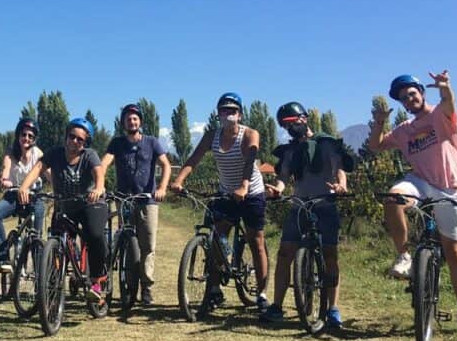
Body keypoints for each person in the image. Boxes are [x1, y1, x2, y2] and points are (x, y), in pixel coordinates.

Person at [367, 71, 457, 334]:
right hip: (420, 183)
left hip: (449, 188)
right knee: (394, 198)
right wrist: (380, 123)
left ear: (421, 93)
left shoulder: (441, 115)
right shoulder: (404, 130)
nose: (409, 99)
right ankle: (404, 256)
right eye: (404, 98)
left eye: (412, 93)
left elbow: (449, 103)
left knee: (454, 251)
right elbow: (376, 145)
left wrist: (446, 87)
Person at [170, 92, 270, 311]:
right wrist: (178, 180)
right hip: (226, 192)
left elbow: (250, 159)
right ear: (218, 114)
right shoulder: (211, 136)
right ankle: (214, 289)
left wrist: (244, 186)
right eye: (224, 110)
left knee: (256, 241)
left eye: (232, 110)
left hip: (251, 191)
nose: (228, 114)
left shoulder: (249, 134)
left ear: (240, 115)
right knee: (217, 236)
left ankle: (262, 295)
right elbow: (194, 159)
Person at [262, 102, 352, 327]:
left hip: (325, 204)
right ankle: (277, 306)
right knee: (285, 253)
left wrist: (341, 185)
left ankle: (333, 309)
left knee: (330, 255)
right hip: (300, 206)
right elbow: (283, 176)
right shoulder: (290, 150)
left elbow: (339, 167)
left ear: (303, 118)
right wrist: (278, 189)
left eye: (292, 122)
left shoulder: (326, 142)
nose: (289, 128)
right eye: (285, 125)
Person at [18, 117, 109, 303]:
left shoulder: (89, 155)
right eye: (71, 136)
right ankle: (50, 287)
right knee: (55, 242)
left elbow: (99, 172)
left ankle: (97, 282)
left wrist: (99, 188)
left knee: (95, 234)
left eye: (79, 139)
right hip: (63, 206)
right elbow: (38, 168)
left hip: (88, 204)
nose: (74, 141)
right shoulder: (55, 154)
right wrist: (24, 187)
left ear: (85, 143)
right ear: (66, 136)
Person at [98, 103, 171, 305]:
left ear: (140, 122)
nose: (132, 121)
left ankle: (146, 286)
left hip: (148, 200)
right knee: (129, 244)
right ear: (123, 123)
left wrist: (162, 187)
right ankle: (129, 285)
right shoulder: (117, 143)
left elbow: (166, 165)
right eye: (128, 119)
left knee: (148, 245)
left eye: (135, 118)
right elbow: (103, 164)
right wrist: (100, 185)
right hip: (124, 200)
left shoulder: (152, 142)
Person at [0, 117, 45, 274]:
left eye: (30, 136)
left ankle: (39, 272)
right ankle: (2, 258)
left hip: (34, 196)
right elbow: (5, 171)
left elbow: (48, 173)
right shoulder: (10, 153)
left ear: (34, 139)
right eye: (23, 134)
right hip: (14, 195)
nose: (26, 138)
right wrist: (5, 180)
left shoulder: (38, 153)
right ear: (18, 135)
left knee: (36, 234)